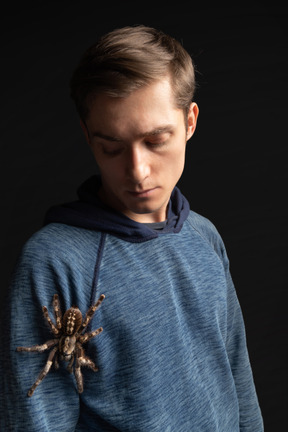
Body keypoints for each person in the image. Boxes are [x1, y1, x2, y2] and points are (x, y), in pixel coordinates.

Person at [0, 25, 263, 431]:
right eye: (112, 147)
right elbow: (36, 419)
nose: (137, 172)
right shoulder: (54, 261)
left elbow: (237, 375)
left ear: (190, 122)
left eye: (156, 140)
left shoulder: (205, 236)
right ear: (88, 137)